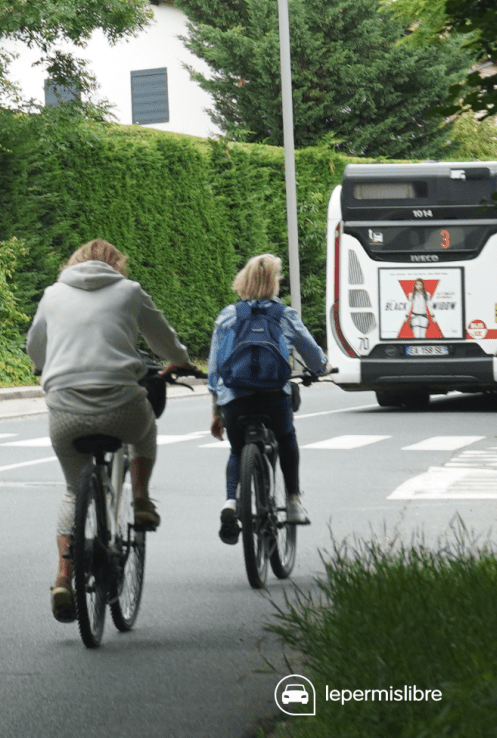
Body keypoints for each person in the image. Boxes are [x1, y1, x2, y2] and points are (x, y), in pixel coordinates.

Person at [26, 239, 196, 623]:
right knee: (145, 429)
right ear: (117, 264)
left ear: (72, 264)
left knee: (73, 490)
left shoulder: (53, 295)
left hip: (65, 412)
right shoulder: (129, 292)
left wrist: (43, 368)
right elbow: (164, 340)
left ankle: (63, 579)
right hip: (122, 407)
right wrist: (181, 362)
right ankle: (140, 499)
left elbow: (35, 347)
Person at [208, 253, 329, 545]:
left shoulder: (228, 315)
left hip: (235, 399)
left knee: (237, 450)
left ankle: (230, 502)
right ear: (274, 283)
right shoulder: (284, 315)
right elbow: (312, 355)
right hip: (274, 397)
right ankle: (294, 501)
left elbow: (214, 368)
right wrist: (321, 368)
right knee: (286, 437)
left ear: (243, 281)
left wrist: (216, 408)